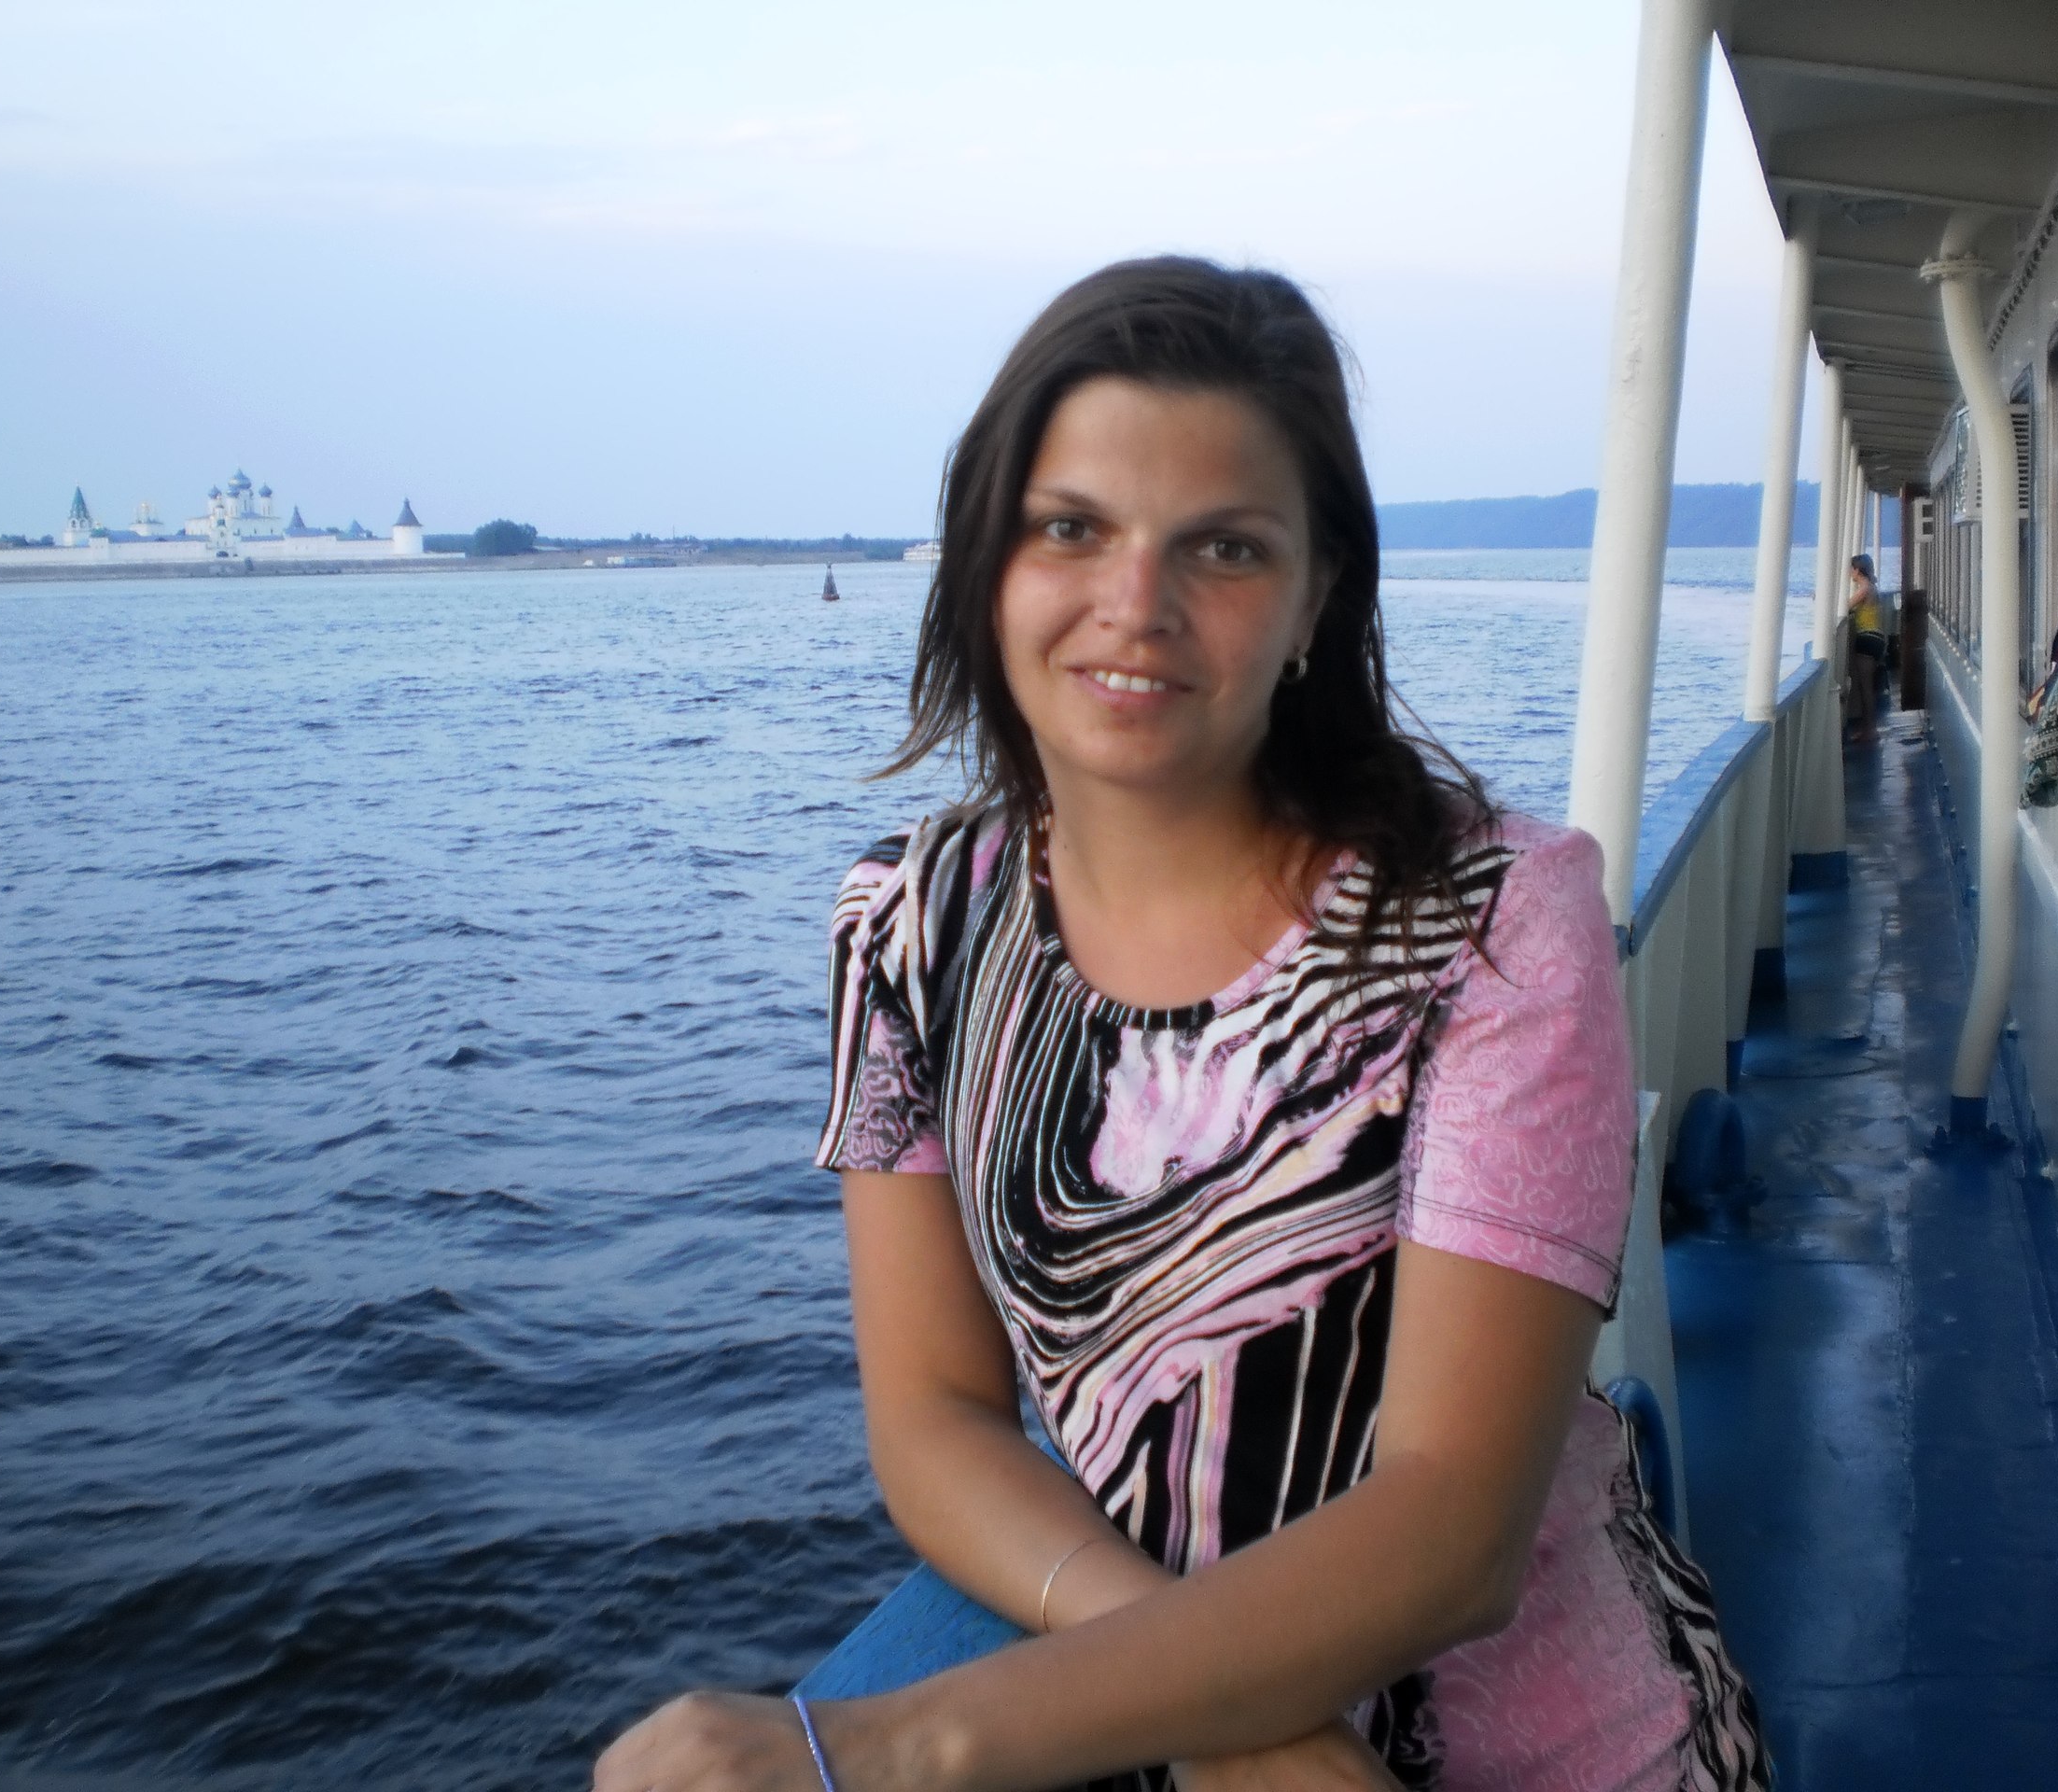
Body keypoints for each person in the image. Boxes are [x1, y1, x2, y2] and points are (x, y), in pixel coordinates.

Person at [596, 259, 1769, 1792]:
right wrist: (1228, 1714)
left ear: (1315, 597)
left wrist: (885, 1745)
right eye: (1070, 528)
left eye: (1222, 547)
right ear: (987, 563)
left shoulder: (1491, 920)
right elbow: (935, 1416)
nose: (1134, 605)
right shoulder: (909, 925)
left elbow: (1456, 1527)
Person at [1843, 554, 1886, 746]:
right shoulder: (1871, 588)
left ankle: (1871, 730)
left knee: (1866, 688)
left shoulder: (1864, 589)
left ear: (1857, 570)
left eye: (1851, 569)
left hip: (1867, 639)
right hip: (1875, 639)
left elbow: (1846, 606)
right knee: (1867, 687)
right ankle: (1868, 728)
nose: (1849, 573)